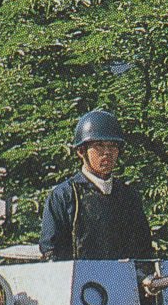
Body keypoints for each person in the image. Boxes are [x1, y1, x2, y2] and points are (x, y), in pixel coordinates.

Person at [39, 109, 154, 261]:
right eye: (99, 145)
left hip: (124, 282)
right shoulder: (64, 195)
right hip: (80, 283)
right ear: (81, 151)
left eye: (113, 146)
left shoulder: (128, 196)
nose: (107, 152)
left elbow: (143, 252)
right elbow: (51, 253)